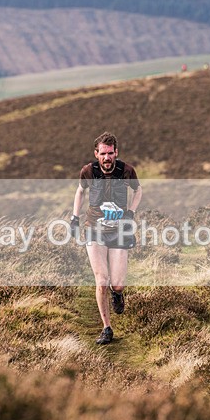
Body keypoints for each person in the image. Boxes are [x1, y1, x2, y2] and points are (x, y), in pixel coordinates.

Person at [71, 132, 142, 344]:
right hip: (94, 229)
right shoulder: (88, 171)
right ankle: (106, 328)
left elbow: (138, 191)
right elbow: (80, 191)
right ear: (96, 154)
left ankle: (118, 295)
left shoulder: (127, 171)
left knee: (117, 284)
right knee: (102, 281)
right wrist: (75, 217)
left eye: (110, 153)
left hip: (119, 230)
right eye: (103, 153)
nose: (107, 157)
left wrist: (130, 212)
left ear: (116, 153)